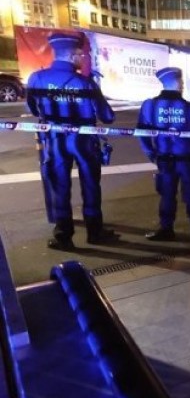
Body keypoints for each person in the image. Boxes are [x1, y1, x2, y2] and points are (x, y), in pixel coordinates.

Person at [26, 32, 119, 250]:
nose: (82, 58)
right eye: (80, 55)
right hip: (84, 143)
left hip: (55, 142)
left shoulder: (37, 78)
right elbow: (108, 116)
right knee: (91, 185)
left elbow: (33, 109)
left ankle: (63, 236)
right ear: (72, 55)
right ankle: (95, 232)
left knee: (60, 187)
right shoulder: (86, 83)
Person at [137, 67, 190, 240]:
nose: (183, 85)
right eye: (181, 82)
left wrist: (150, 152)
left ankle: (166, 228)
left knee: (167, 193)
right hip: (189, 158)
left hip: (165, 158)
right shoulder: (188, 107)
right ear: (178, 84)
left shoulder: (150, 105)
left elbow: (141, 132)